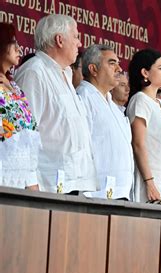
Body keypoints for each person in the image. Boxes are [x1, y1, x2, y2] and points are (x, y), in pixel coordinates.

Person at [15, 14, 96, 194]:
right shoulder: (34, 72)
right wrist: (30, 183)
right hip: (46, 186)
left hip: (74, 184)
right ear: (59, 40)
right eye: (75, 37)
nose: (79, 43)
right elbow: (23, 134)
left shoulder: (66, 74)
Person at [76, 44, 134, 200]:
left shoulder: (112, 104)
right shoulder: (83, 97)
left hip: (119, 193)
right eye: (112, 63)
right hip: (96, 194)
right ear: (94, 69)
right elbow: (80, 147)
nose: (119, 69)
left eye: (118, 63)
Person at [126, 49, 161, 205]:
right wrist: (149, 182)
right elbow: (138, 144)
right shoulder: (140, 100)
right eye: (160, 68)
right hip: (150, 184)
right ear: (145, 72)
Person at [0, 22, 40, 190]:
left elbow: (28, 135)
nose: (19, 49)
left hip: (22, 181)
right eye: (13, 43)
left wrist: (32, 184)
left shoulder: (15, 86)